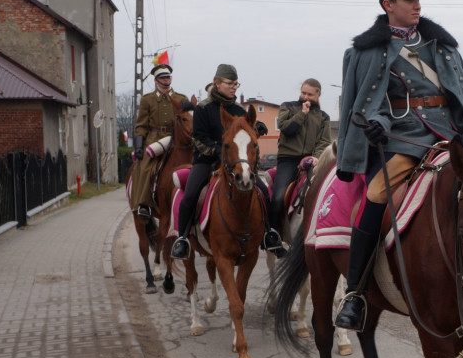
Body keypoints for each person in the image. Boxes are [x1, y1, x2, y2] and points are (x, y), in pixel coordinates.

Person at [333, 0, 463, 331]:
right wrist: (377, 123)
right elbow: (368, 102)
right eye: (409, 0)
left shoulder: (441, 46)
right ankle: (355, 293)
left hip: (453, 138)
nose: (417, 5)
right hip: (404, 139)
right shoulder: (367, 52)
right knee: (375, 195)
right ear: (388, 4)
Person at [170, 64, 283, 260]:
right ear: (217, 83)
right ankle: (183, 239)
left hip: (235, 162)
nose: (234, 87)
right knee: (190, 196)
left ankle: (269, 234)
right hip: (206, 161)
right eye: (230, 83)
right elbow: (199, 139)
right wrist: (219, 151)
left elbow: (243, 136)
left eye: (236, 84)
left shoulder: (238, 109)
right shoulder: (203, 108)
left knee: (264, 192)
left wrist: (255, 127)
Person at [269, 78, 332, 236]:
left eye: (310, 94)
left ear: (318, 95)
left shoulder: (323, 117)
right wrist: (302, 113)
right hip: (288, 159)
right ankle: (271, 234)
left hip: (311, 160)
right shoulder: (287, 107)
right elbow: (286, 129)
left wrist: (316, 157)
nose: (305, 97)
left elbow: (324, 141)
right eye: (303, 93)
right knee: (278, 197)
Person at [130, 64, 189, 221]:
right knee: (144, 167)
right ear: (156, 80)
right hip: (154, 139)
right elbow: (141, 125)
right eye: (163, 77)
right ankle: (143, 204)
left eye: (168, 77)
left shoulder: (181, 99)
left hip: (176, 139)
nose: (166, 80)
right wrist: (139, 145)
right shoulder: (147, 100)